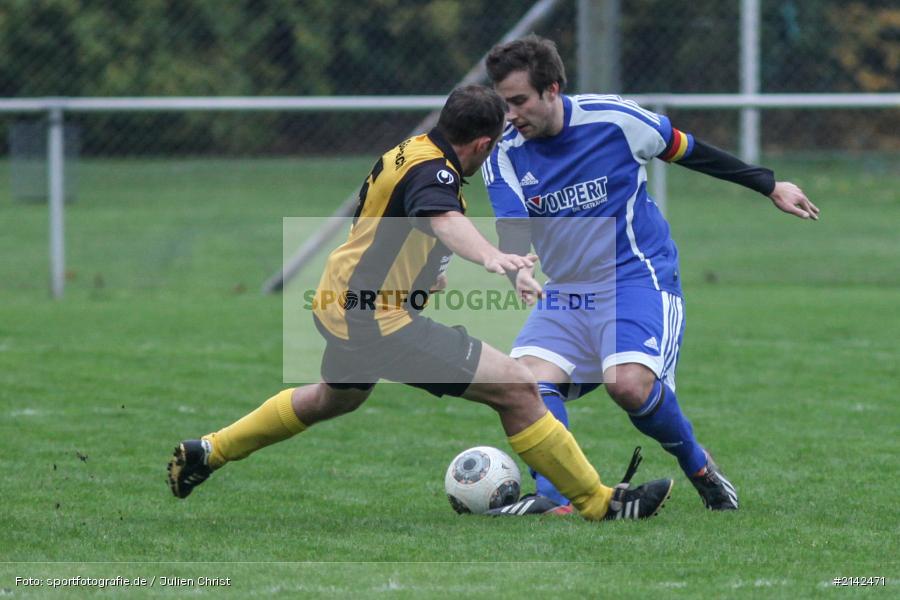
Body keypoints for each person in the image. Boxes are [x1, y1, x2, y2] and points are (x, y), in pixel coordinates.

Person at [167, 85, 674, 522]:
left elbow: (405, 221)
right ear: (481, 143)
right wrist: (493, 257)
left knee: (335, 397)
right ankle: (599, 503)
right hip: (376, 318)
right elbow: (443, 220)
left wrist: (427, 271)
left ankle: (208, 451)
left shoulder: (413, 150)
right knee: (519, 388)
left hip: (341, 302)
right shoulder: (439, 175)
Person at [481, 36, 819, 515]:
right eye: (503, 104)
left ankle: (698, 464)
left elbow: (689, 150)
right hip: (568, 292)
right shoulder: (506, 153)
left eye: (518, 101)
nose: (510, 115)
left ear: (552, 90)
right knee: (525, 387)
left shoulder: (615, 120)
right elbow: (511, 227)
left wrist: (768, 184)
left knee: (628, 385)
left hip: (636, 278)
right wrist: (516, 268)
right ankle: (554, 498)